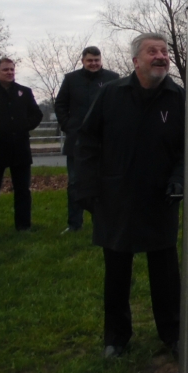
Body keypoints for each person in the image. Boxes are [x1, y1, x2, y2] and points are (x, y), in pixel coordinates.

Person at [75, 32, 184, 358]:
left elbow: (186, 149)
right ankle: (116, 338)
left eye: (164, 52)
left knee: (165, 272)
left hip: (160, 198)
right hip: (115, 197)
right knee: (117, 271)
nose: (161, 56)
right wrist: (87, 189)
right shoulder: (111, 94)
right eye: (153, 51)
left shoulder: (178, 97)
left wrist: (178, 180)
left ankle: (174, 333)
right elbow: (87, 142)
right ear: (136, 60)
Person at [54, 46, 119, 233]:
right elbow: (60, 105)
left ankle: (104, 222)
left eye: (97, 60)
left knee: (106, 182)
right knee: (75, 183)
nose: (94, 63)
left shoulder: (112, 78)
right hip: (77, 141)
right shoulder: (71, 79)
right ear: (83, 60)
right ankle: (74, 224)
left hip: (105, 141)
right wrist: (69, 125)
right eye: (90, 60)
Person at [0, 58, 43, 237]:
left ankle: (24, 226)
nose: (9, 73)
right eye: (5, 70)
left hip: (20, 148)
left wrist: (23, 126)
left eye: (12, 70)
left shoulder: (24, 91)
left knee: (23, 190)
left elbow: (36, 114)